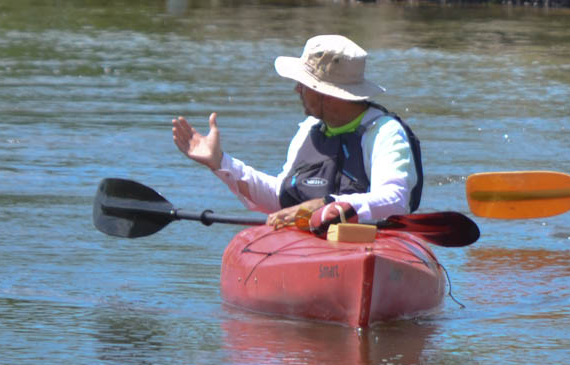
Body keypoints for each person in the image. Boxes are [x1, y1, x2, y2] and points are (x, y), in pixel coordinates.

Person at [171, 34, 423, 231]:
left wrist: (327, 205)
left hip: (370, 240)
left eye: (303, 84)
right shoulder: (308, 130)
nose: (297, 90)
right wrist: (220, 163)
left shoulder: (385, 133)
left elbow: (395, 200)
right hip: (310, 246)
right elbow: (281, 198)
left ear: (325, 91)